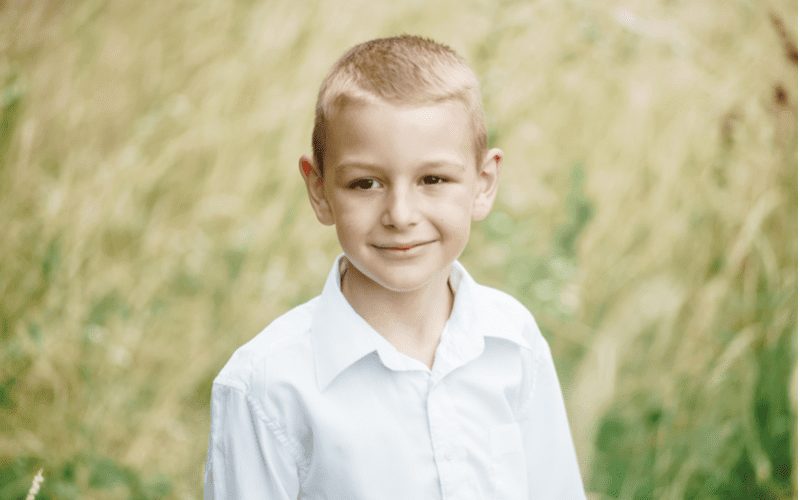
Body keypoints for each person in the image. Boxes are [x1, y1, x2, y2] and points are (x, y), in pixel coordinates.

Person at [204, 34, 585, 499]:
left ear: (484, 183)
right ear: (320, 190)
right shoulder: (265, 386)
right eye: (365, 183)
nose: (400, 214)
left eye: (433, 179)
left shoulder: (512, 342)